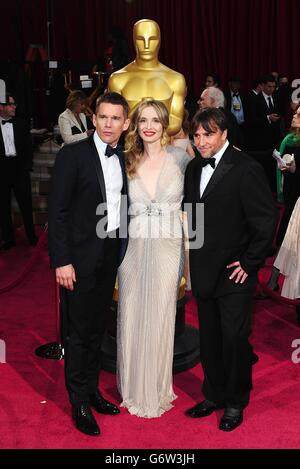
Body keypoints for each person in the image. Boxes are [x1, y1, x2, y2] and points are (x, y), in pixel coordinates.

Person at [183, 108, 277, 431]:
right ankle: (213, 393)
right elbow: (192, 215)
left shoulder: (246, 168)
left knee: (235, 338)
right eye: (196, 135)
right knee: (209, 337)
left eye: (207, 134)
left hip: (235, 270)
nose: (200, 141)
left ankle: (236, 402)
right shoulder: (193, 168)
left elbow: (266, 220)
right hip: (204, 268)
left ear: (224, 133)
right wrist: (191, 258)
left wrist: (251, 262)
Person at [48, 92, 130, 436]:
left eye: (116, 118)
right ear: (93, 118)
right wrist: (62, 261)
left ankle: (93, 389)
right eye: (104, 117)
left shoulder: (123, 157)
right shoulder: (73, 155)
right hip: (78, 261)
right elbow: (58, 211)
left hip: (110, 253)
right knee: (79, 333)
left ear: (125, 124)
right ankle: (78, 399)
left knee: (98, 329)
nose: (109, 124)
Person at [117, 100, 190, 418]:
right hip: (132, 248)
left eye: (155, 120)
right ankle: (133, 385)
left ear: (165, 125)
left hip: (168, 245)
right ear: (135, 124)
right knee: (132, 311)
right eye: (143, 120)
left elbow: (197, 204)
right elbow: (112, 209)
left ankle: (158, 386)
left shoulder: (181, 158)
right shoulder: (125, 160)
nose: (149, 126)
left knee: (161, 314)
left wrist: (192, 257)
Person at [108, 19, 186, 136]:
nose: (146, 45)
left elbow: (176, 122)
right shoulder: (117, 79)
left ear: (159, 41)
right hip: (129, 150)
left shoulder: (175, 79)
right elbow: (114, 121)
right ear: (134, 41)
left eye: (152, 39)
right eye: (140, 39)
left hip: (165, 149)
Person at [0, 92, 37, 249]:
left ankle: (31, 236)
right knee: (3, 206)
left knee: (26, 205)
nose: (15, 106)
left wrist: (26, 167)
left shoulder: (22, 124)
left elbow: (29, 148)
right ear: (1, 107)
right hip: (1, 171)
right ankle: (8, 239)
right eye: (11, 104)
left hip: (19, 169)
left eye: (14, 104)